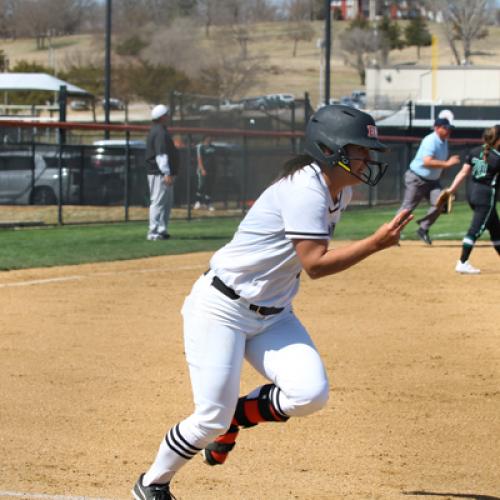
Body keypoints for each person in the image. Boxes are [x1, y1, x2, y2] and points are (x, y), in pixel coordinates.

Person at [131, 105, 413, 500]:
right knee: (209, 419)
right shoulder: (304, 189)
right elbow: (314, 265)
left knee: (309, 394)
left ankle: (237, 417)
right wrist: (376, 244)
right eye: (360, 149)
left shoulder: (339, 190)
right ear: (330, 149)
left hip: (274, 313)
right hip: (222, 309)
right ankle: (152, 483)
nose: (367, 158)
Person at [443, 124, 500, 274]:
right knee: (475, 230)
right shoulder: (497, 158)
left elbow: (462, 173)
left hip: (473, 194)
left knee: (496, 230)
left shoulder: (474, 151)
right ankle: (462, 262)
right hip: (486, 197)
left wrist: (451, 190)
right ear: (498, 140)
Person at [398, 117, 461, 245]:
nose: (448, 131)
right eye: (445, 128)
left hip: (433, 181)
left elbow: (439, 162)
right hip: (417, 178)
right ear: (437, 128)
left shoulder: (444, 141)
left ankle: (423, 228)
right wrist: (447, 164)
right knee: (407, 208)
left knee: (441, 203)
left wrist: (442, 172)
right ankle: (392, 233)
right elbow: (427, 162)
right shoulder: (430, 140)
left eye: (449, 129)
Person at [145, 104, 179, 241]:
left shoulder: (159, 130)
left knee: (166, 202)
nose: (168, 117)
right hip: (159, 173)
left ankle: (161, 229)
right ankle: (153, 231)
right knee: (158, 202)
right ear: (163, 117)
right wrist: (166, 173)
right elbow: (161, 155)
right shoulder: (160, 132)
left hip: (162, 172)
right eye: (167, 114)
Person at [194, 136, 217, 211]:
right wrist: (202, 169)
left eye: (210, 138)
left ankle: (208, 203)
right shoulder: (200, 146)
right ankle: (198, 202)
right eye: (208, 137)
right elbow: (199, 158)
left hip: (212, 170)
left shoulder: (213, 147)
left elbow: (215, 158)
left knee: (209, 186)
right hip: (203, 170)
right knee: (201, 185)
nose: (209, 139)